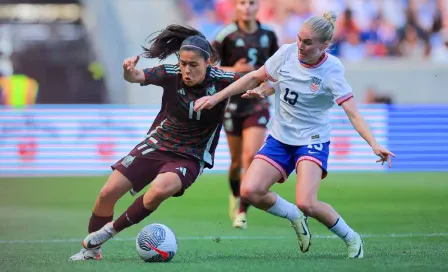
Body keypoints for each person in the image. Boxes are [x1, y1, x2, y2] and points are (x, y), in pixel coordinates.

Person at [67, 24, 300, 261]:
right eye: (183, 63)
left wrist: (262, 91)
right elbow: (136, 76)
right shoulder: (171, 73)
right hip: (157, 144)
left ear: (208, 62)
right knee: (107, 192)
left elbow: (259, 81)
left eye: (193, 65)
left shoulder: (221, 79)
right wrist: (127, 70)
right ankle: (92, 252)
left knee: (159, 190)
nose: (186, 70)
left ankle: (107, 232)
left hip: (191, 154)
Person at [194, 12, 395, 259]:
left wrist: (374, 144)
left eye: (308, 42)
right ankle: (295, 218)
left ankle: (352, 237)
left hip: (312, 140)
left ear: (324, 46)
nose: (300, 45)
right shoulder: (288, 52)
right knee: (249, 191)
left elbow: (353, 113)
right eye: (299, 39)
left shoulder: (332, 70)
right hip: (280, 138)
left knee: (307, 202)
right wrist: (217, 98)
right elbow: (255, 77)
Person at [212, 0, 279, 229]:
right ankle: (234, 194)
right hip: (232, 103)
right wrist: (234, 71)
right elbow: (207, 67)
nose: (247, 7)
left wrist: (267, 86)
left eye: (252, 3)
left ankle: (242, 209)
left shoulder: (269, 35)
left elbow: (277, 68)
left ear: (257, 7)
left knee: (250, 157)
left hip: (257, 102)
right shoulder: (225, 35)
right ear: (236, 7)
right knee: (235, 163)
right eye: (243, 3)